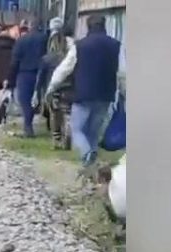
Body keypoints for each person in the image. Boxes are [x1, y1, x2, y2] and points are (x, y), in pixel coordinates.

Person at [45, 14, 123, 167]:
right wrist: (124, 93)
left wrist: (51, 87)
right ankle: (90, 165)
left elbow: (64, 69)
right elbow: (123, 72)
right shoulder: (116, 45)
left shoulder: (80, 46)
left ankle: (87, 153)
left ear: (88, 26)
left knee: (77, 129)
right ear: (104, 26)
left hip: (83, 94)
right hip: (105, 95)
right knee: (93, 132)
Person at [6, 17, 48, 137]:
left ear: (29, 27)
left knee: (25, 101)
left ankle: (28, 127)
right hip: (41, 72)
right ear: (40, 26)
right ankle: (45, 124)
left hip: (24, 74)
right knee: (39, 99)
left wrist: (10, 78)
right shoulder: (45, 39)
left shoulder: (21, 41)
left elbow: (15, 61)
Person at [36, 19, 74, 149]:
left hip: (53, 90)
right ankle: (67, 132)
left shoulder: (46, 59)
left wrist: (37, 92)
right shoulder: (69, 58)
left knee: (54, 114)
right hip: (69, 88)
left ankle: (56, 138)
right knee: (67, 112)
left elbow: (40, 78)